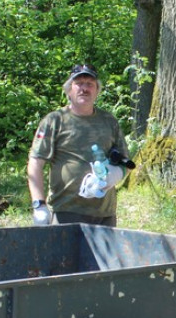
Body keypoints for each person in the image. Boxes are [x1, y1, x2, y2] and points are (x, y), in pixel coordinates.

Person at [27, 63, 130, 226]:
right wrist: (38, 205)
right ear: (69, 90)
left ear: (97, 91)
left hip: (104, 214)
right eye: (79, 83)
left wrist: (114, 175)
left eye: (90, 84)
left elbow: (126, 161)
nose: (84, 88)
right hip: (66, 212)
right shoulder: (55, 120)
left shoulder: (109, 121)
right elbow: (35, 163)